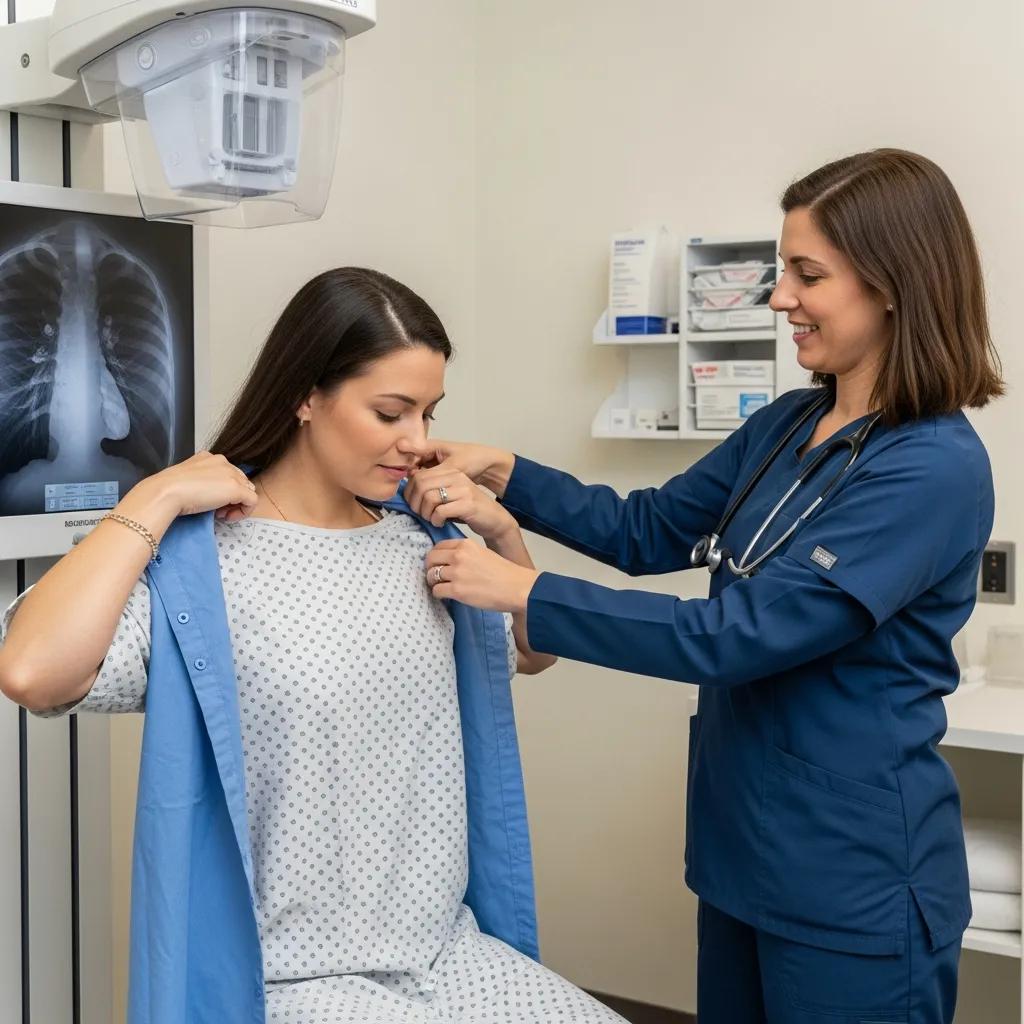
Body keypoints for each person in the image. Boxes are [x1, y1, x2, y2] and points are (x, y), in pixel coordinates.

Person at [406, 150, 1004, 1023]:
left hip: (852, 881)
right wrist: (505, 473)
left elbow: (734, 636)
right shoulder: (790, 422)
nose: (779, 298)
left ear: (892, 285)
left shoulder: (931, 468)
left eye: (808, 275)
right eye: (781, 270)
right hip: (739, 851)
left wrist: (519, 593)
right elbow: (647, 528)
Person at [0, 268, 627, 1024]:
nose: (418, 443)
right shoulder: (203, 566)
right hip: (295, 982)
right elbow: (34, 673)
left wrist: (501, 531)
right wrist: (151, 498)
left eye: (428, 414)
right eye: (391, 412)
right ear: (305, 395)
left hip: (448, 957)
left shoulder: (421, 544)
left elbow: (530, 651)